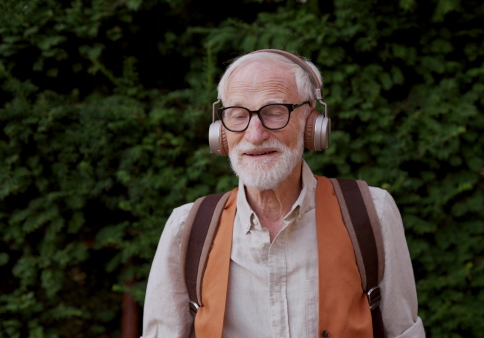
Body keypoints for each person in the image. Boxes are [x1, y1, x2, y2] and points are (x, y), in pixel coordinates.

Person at [142, 49, 426, 337]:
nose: (254, 135)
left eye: (275, 112)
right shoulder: (186, 228)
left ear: (312, 124)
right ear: (221, 132)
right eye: (238, 115)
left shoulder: (372, 212)